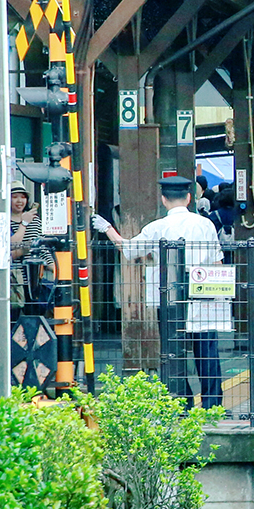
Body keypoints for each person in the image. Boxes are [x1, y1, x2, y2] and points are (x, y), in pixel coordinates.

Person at [92, 174, 226, 410]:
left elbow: (129, 249)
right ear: (188, 198)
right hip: (203, 296)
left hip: (170, 298)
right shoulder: (205, 224)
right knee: (206, 352)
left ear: (164, 200)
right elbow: (217, 264)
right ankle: (213, 405)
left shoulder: (157, 227)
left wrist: (108, 229)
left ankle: (182, 404)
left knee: (174, 352)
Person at [8, 181, 41, 314]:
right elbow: (11, 245)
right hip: (15, 276)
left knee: (35, 312)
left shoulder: (36, 219)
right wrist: (24, 223)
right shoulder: (5, 220)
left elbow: (41, 245)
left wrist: (53, 267)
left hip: (35, 274)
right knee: (15, 313)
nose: (19, 200)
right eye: (14, 196)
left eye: (22, 197)